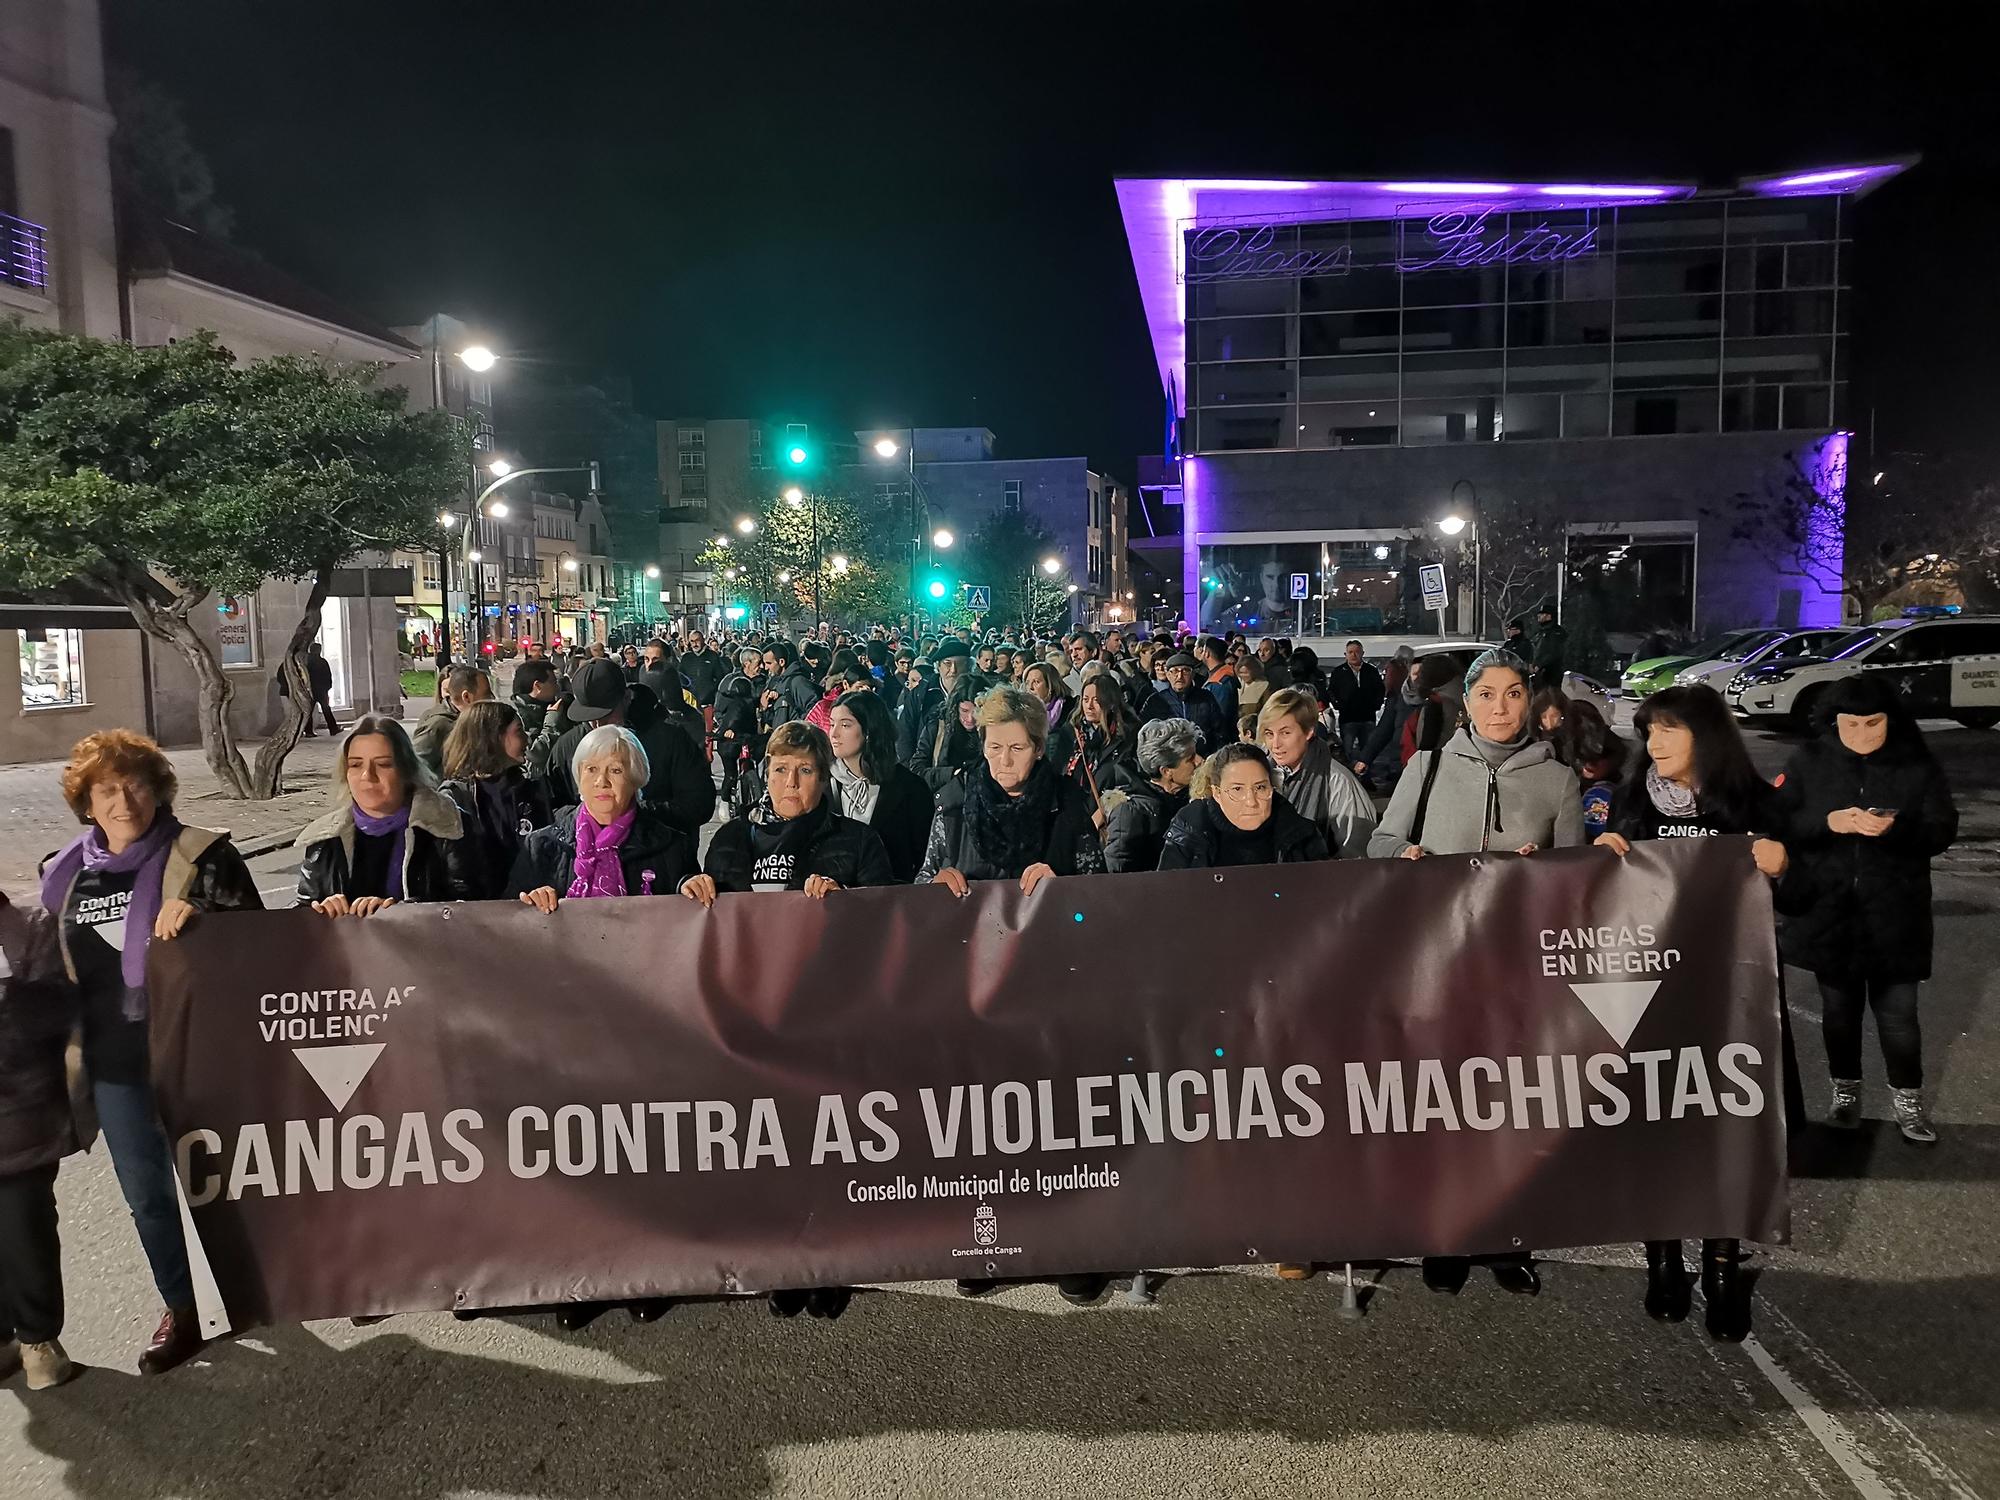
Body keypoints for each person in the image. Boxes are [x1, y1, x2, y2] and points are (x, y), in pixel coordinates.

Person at [40, 730, 262, 1374]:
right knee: (149, 1197)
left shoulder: (202, 857)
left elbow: (264, 950)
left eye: (135, 784)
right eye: (106, 790)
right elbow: (47, 971)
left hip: (200, 1054)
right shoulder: (61, 875)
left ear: (158, 789)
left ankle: (260, 1288)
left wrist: (200, 922)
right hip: (114, 1067)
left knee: (233, 1183)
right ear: (86, 803)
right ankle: (182, 1307)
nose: (123, 800)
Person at [1593, 683, 1797, 1342]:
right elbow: (1601, 897)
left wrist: (1784, 865)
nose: (1653, 743)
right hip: (1652, 994)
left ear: (1705, 736)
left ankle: (1720, 1267)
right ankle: (1663, 1262)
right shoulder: (1631, 800)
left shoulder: (1755, 803)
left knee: (1727, 1130)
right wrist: (1602, 860)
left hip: (1732, 998)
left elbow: (1806, 900)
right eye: (1650, 731)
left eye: (1669, 731)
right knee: (1658, 1125)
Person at [507, 723, 698, 1330]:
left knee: (644, 1154)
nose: (603, 782)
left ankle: (648, 1270)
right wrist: (525, 905)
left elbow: (692, 930)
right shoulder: (543, 846)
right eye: (592, 771)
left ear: (636, 778)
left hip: (646, 1023)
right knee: (578, 1156)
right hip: (565, 1026)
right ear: (576, 778)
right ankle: (583, 1275)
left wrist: (697, 892)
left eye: (616, 770)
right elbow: (499, 931)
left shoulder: (668, 844)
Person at [1773, 674, 1958, 1145]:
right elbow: (1782, 820)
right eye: (1849, 724)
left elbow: (1942, 830)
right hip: (1830, 910)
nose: (1860, 734)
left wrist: (1894, 829)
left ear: (1890, 721)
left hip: (1896, 911)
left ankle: (1908, 1103)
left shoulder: (1916, 764)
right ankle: (1845, 1095)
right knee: (1839, 1011)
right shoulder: (1810, 759)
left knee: (1899, 1015)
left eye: (1872, 723)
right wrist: (1828, 821)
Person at [1370, 650, 1582, 863]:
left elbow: (1572, 873)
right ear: (1467, 704)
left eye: (1513, 694)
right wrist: (1404, 851)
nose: (1499, 708)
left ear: (1529, 701)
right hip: (1442, 895)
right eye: (1486, 695)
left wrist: (1542, 865)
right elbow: (1381, 841)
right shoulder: (1426, 766)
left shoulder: (1559, 780)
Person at [0, 889, 87, 1389]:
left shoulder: (31, 926)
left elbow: (60, 1009)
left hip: (19, 1108)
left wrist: (9, 995)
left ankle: (37, 1339)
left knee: (22, 1222)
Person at [920, 684, 1106, 896]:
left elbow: (1098, 894)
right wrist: (933, 887)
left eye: (1017, 748)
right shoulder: (954, 804)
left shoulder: (1067, 805)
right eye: (995, 747)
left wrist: (1062, 887)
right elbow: (924, 878)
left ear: (1038, 749)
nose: (1005, 760)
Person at [297, 716, 479, 914]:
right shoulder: (325, 839)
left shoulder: (447, 825)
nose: (367, 776)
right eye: (356, 765)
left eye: (383, 764)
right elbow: (302, 915)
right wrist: (321, 912)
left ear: (405, 769)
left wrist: (398, 913)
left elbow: (469, 906)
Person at [532, 660, 715, 835]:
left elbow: (699, 803)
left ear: (627, 698)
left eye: (606, 714)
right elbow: (550, 809)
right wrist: (586, 816)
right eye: (589, 716)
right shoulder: (567, 746)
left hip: (658, 857)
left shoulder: (670, 739)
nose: (597, 724)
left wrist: (636, 812)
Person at [1158, 741, 1331, 874]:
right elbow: (1169, 900)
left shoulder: (1300, 833)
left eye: (1260, 787)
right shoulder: (1190, 831)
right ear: (1217, 793)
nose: (1251, 801)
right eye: (1237, 789)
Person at [440, 700, 553, 898]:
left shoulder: (532, 789)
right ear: (493, 737)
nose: (527, 738)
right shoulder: (454, 798)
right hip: (477, 916)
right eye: (519, 731)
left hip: (531, 909)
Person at [827, 692, 936, 883]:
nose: (834, 733)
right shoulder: (822, 785)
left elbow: (924, 858)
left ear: (869, 730)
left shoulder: (910, 788)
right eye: (831, 724)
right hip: (834, 903)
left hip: (892, 901)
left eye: (845, 725)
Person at [1258, 688, 1376, 859]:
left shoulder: (1337, 782)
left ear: (1309, 732)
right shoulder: (1259, 774)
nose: (1275, 744)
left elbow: (1356, 853)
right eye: (1269, 734)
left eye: (1285, 733)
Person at [1101, 718, 1200, 873]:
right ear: (1166, 771)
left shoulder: (1193, 800)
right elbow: (1118, 873)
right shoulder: (1131, 812)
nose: (1199, 761)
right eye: (1190, 759)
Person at [1552, 698, 1628, 839]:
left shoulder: (1607, 792)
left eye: (1599, 757)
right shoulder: (1557, 771)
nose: (1589, 764)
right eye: (1579, 757)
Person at [1354, 647, 1423, 791]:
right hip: (1399, 765)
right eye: (1414, 673)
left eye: (1421, 674)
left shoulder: (1434, 701)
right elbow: (1383, 730)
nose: (1417, 678)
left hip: (1423, 766)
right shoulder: (1399, 699)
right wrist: (1365, 758)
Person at [412, 664, 494, 779]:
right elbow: (414, 768)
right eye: (486, 695)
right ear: (466, 697)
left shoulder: (477, 720)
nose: (491, 699)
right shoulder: (438, 725)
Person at [1142, 652, 1231, 751]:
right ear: (1168, 674)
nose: (1179, 676)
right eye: (1174, 671)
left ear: (1193, 674)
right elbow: (1146, 735)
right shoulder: (1156, 700)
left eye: (1185, 671)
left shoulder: (1205, 697)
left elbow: (1219, 731)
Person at [1327, 641, 1385, 763]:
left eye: (1357, 652)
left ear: (1362, 653)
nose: (1354, 655)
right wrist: (1338, 705)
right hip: (1347, 717)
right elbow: (1331, 691)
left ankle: (1367, 776)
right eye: (1350, 652)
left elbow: (1380, 689)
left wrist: (1376, 705)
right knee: (1347, 750)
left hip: (1368, 717)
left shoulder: (1371, 671)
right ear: (1345, 654)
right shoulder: (1338, 672)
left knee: (1368, 750)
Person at [761, 640, 822, 727]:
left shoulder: (797, 682)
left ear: (781, 662)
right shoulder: (775, 682)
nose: (765, 667)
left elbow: (815, 709)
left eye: (769, 663)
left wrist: (797, 728)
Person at [511, 659, 562, 738]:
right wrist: (551, 723)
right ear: (538, 686)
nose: (557, 687)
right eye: (553, 682)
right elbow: (533, 749)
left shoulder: (545, 707)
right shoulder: (518, 719)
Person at [1196, 636, 1238, 722]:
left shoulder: (1220, 682)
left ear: (1207, 653)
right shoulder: (1217, 676)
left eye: (1203, 651)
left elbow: (1220, 714)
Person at [302, 641, 339, 737]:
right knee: (326, 709)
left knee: (308, 711)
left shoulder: (306, 662)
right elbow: (328, 676)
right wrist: (327, 687)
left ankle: (308, 731)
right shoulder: (322, 662)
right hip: (321, 690)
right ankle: (333, 728)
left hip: (310, 690)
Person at [1530, 601, 1568, 691]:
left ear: (1549, 616)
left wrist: (1539, 665)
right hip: (1540, 673)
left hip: (1551, 674)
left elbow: (1554, 652)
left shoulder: (1556, 633)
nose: (1539, 616)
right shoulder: (1541, 632)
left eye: (1542, 614)